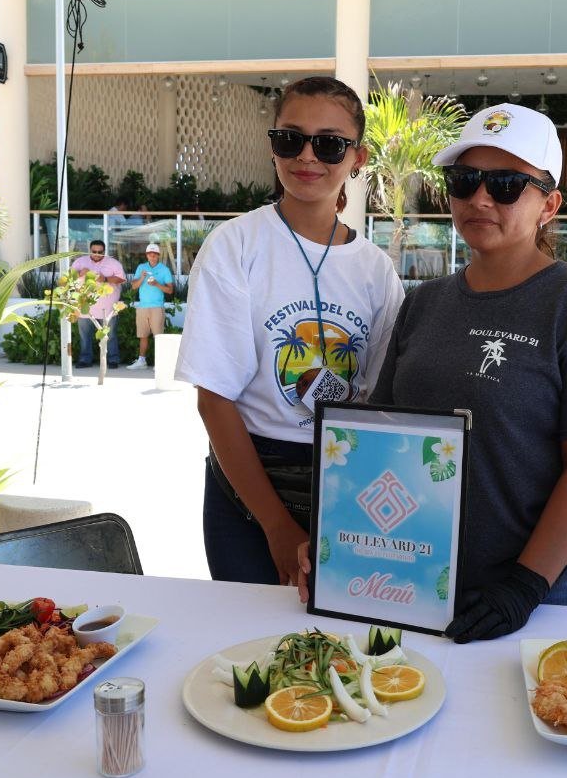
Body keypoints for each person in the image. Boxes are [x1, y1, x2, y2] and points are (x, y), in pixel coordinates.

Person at [299, 104, 567, 642]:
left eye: (506, 185)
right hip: (417, 579)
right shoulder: (423, 303)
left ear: (549, 205)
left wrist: (525, 585)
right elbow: (382, 441)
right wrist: (337, 544)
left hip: (542, 594)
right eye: (464, 180)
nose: (480, 198)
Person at [176, 76, 404, 586]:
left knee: (335, 633)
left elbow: (382, 401)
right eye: (290, 139)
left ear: (358, 158)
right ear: (273, 146)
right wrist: (276, 526)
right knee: (249, 629)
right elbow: (214, 399)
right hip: (249, 481)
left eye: (329, 144)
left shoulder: (375, 269)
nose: (306, 156)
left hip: (349, 479)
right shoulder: (235, 246)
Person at [71, 239, 126, 369]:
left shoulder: (113, 263)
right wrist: (80, 273)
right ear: (90, 250)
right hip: (85, 308)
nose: (97, 254)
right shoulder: (80, 262)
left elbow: (121, 279)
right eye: (94, 251)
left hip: (107, 308)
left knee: (110, 335)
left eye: (100, 252)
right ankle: (85, 360)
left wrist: (105, 278)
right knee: (85, 336)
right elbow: (69, 278)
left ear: (104, 251)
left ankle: (112, 360)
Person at [125, 242, 173, 370]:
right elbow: (134, 286)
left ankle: (160, 363)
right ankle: (142, 361)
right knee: (143, 335)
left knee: (158, 337)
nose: (152, 256)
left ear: (158, 255)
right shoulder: (141, 267)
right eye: (150, 254)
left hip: (157, 307)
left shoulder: (164, 269)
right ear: (146, 255)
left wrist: (157, 284)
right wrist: (142, 278)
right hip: (142, 307)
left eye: (155, 254)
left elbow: (170, 290)